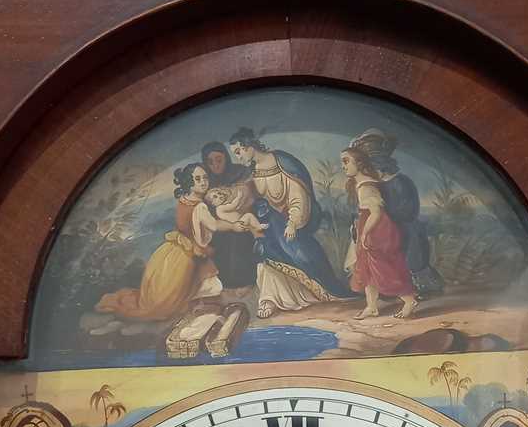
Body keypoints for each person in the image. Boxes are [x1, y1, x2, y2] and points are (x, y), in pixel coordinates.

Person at [228, 127, 350, 317]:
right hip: (268, 227)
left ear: (249, 146)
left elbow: (298, 196)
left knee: (302, 255)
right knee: (264, 258)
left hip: (291, 224)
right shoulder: (252, 171)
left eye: (238, 152)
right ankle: (270, 300)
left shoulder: (283, 162)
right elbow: (249, 198)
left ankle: (311, 294)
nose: (237, 158)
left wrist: (293, 222)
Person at [94, 162, 222, 321]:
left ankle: (196, 305)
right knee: (188, 292)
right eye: (197, 179)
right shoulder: (200, 206)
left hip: (176, 248)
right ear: (189, 182)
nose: (203, 182)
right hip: (187, 252)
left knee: (200, 287)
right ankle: (196, 307)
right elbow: (215, 226)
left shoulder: (184, 199)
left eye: (205, 177)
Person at [348, 129, 444, 298]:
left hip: (402, 225)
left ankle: (419, 285)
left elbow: (409, 211)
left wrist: (385, 217)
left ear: (383, 165)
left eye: (374, 167)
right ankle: (383, 287)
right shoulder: (370, 185)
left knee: (409, 242)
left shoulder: (400, 182)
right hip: (378, 227)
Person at [341, 144, 417, 319]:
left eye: (346, 161)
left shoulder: (366, 185)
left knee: (382, 268)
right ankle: (372, 306)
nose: (343, 166)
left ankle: (409, 299)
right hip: (368, 225)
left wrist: (366, 234)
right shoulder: (361, 183)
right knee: (366, 267)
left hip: (376, 228)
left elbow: (376, 212)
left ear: (359, 163)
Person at [201, 140, 258, 289]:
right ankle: (226, 284)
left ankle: (246, 281)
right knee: (219, 241)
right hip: (219, 226)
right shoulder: (206, 182)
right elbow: (206, 212)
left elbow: (250, 198)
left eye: (219, 160)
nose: (215, 165)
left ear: (226, 157)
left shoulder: (240, 172)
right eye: (210, 162)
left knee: (239, 237)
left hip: (244, 218)